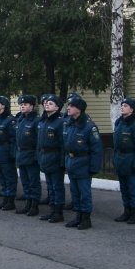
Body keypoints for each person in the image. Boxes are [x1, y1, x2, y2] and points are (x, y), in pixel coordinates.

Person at [63, 96, 102, 230]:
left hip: (83, 164)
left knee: (84, 193)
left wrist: (93, 167)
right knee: (74, 192)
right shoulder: (68, 124)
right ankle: (78, 216)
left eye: (71, 106)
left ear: (78, 109)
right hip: (71, 162)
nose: (68, 108)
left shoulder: (89, 127)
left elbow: (96, 149)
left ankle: (86, 218)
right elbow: (65, 146)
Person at [112, 97, 135, 225]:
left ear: (132, 109)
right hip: (121, 160)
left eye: (125, 106)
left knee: (132, 188)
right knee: (124, 188)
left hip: (130, 160)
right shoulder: (119, 123)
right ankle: (126, 211)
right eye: (122, 105)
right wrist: (115, 160)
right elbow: (116, 145)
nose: (122, 107)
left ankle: (134, 213)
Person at [37, 95, 66, 223]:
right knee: (49, 185)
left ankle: (58, 212)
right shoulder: (43, 122)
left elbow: (63, 144)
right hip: (45, 156)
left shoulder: (60, 122)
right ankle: (52, 209)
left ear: (57, 107)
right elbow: (39, 143)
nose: (47, 105)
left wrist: (62, 161)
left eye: (51, 103)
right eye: (46, 103)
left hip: (55, 157)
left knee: (57, 186)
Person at [14, 95, 41, 216]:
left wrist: (36, 156)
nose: (22, 106)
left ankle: (34, 205)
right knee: (25, 181)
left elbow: (38, 141)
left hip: (31, 154)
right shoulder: (21, 119)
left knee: (33, 181)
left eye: (25, 104)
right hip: (21, 154)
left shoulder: (36, 121)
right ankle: (28, 203)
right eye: (21, 105)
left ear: (32, 106)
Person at [0, 96, 17, 211]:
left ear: (4, 106)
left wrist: (12, 154)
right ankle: (5, 198)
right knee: (1, 177)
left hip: (5, 151)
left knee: (9, 177)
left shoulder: (10, 120)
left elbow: (13, 139)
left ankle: (10, 200)